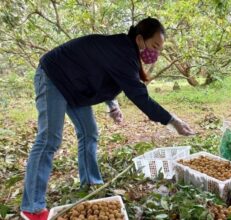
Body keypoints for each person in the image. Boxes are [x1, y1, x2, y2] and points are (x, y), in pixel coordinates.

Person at [20, 17, 194, 220]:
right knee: (50, 138)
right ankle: (31, 207)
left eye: (160, 49)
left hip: (75, 87)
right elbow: (139, 96)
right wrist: (174, 121)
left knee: (89, 133)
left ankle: (91, 182)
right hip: (54, 76)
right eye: (154, 46)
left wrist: (113, 105)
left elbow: (102, 75)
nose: (156, 53)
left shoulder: (124, 50)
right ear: (140, 39)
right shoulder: (122, 51)